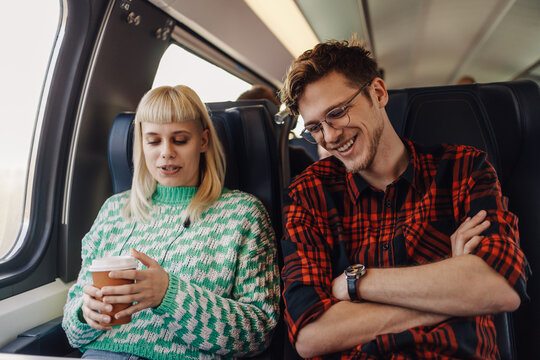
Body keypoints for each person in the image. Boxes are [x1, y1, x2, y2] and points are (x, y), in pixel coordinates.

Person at [279, 40, 529, 359]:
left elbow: (498, 290)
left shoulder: (464, 169)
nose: (329, 137)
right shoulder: (309, 194)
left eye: (337, 113)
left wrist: (356, 284)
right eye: (314, 127)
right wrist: (451, 292)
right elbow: (311, 336)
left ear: (379, 93)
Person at [62, 85, 280, 359]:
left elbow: (259, 331)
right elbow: (72, 331)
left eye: (179, 140)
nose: (166, 152)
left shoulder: (243, 214)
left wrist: (170, 295)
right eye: (153, 141)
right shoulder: (114, 211)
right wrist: (85, 313)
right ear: (141, 143)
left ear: (203, 141)